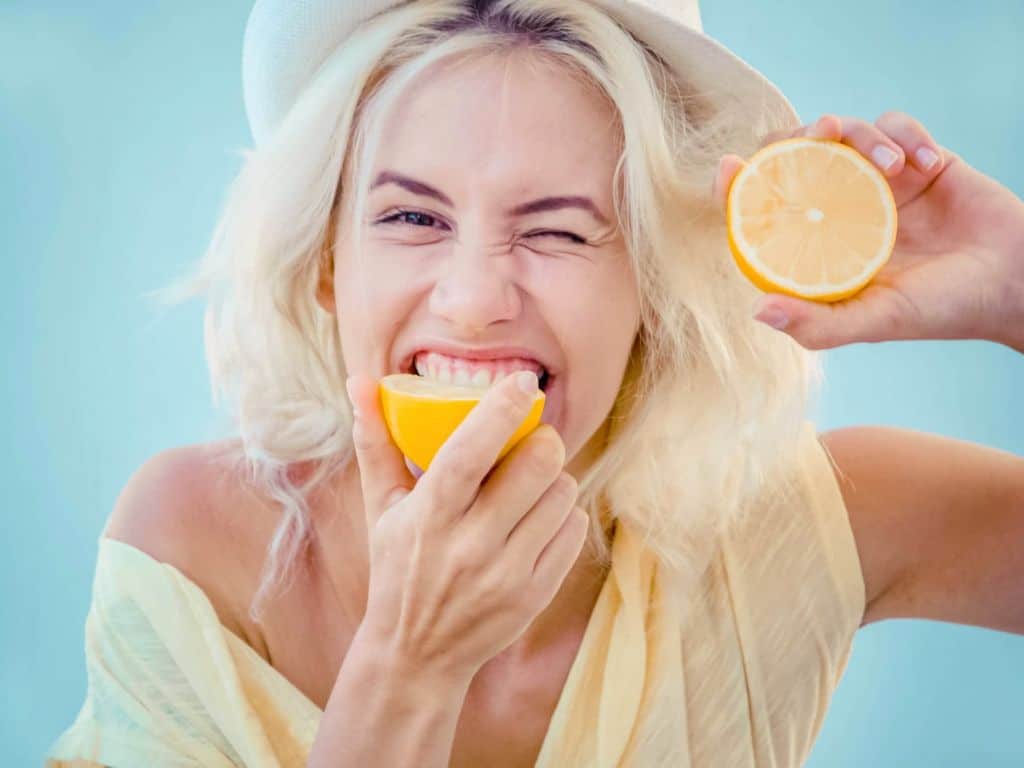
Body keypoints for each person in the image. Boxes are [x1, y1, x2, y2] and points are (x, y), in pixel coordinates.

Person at [46, 0, 1024, 766]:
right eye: (411, 219)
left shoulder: (798, 527)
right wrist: (408, 667)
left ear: (653, 283)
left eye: (557, 229)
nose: (472, 302)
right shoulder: (190, 545)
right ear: (328, 263)